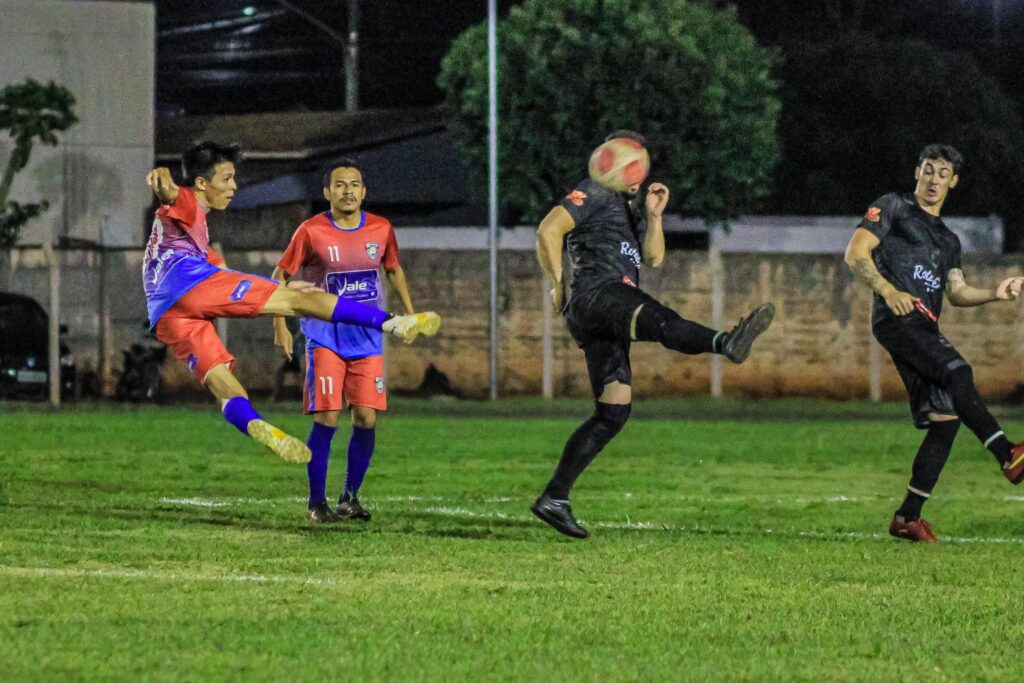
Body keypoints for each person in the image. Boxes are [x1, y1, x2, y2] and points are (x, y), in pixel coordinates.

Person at [531, 130, 775, 539]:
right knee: (661, 321)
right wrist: (557, 284)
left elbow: (655, 257)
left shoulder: (627, 209)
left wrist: (655, 216)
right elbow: (547, 230)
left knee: (613, 411)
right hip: (598, 296)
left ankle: (554, 498)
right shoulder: (593, 191)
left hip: (600, 309)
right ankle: (724, 342)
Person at [144, 141, 440, 464]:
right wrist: (165, 183)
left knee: (225, 386)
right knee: (301, 299)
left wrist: (265, 287)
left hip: (164, 313)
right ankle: (391, 322)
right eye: (227, 178)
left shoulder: (193, 237)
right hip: (186, 282)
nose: (234, 186)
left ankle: (259, 426)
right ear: (202, 183)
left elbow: (220, 272)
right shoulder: (190, 202)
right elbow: (172, 193)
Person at [844, 143, 1024, 543]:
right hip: (898, 320)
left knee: (945, 423)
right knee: (959, 371)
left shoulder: (948, 241)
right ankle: (1006, 454)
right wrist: (888, 291)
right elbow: (855, 253)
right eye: (929, 170)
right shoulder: (892, 206)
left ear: (953, 182)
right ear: (917, 173)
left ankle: (907, 517)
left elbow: (957, 293)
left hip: (923, 325)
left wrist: (997, 292)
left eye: (943, 174)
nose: (934, 179)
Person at [272, 160, 420, 523]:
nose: (348, 191)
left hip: (368, 340)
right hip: (325, 338)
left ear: (364, 191)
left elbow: (393, 268)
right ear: (327, 193)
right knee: (328, 416)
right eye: (340, 185)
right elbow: (281, 274)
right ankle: (316, 502)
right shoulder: (311, 231)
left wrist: (410, 313)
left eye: (354, 184)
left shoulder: (382, 229)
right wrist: (280, 322)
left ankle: (349, 498)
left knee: (367, 418)